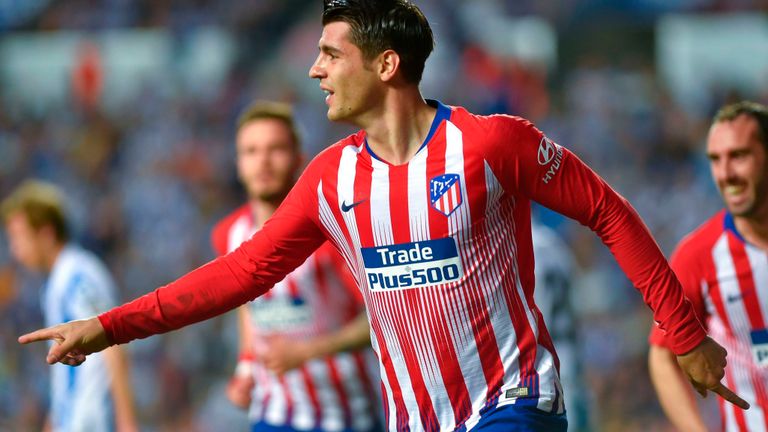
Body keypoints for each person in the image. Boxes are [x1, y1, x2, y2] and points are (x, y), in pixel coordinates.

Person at [19, 1, 749, 430]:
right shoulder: (330, 179)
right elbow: (239, 274)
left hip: (513, 402)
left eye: (330, 54)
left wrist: (684, 332)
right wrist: (111, 325)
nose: (314, 70)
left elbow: (608, 211)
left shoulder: (491, 143)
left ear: (386, 65)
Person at [212, 100, 381, 432]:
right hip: (273, 414)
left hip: (344, 416)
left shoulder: (328, 234)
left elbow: (380, 317)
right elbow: (247, 306)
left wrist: (307, 352)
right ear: (238, 163)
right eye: (251, 151)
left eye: (275, 149)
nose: (263, 161)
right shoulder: (228, 234)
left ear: (299, 159)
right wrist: (246, 367)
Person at [648, 101, 768, 432]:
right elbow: (662, 355)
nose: (725, 174)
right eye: (715, 159)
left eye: (739, 156)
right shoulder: (698, 255)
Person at [1, 180, 137, 432]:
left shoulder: (78, 274)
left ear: (46, 233)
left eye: (19, 236)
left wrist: (126, 423)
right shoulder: (58, 281)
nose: (15, 249)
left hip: (90, 421)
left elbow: (113, 342)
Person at [530, 221, 592, 431]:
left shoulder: (521, 243)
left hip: (543, 353)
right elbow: (577, 298)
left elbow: (536, 306)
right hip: (569, 347)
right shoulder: (556, 244)